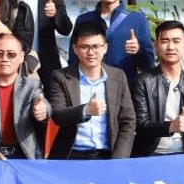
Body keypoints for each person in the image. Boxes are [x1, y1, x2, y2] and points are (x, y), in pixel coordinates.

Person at [48, 20, 136, 160]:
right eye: (84, 47)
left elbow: (128, 122)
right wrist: (86, 110)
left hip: (108, 156)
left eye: (96, 46)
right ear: (75, 49)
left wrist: (119, 160)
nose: (91, 52)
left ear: (105, 48)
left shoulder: (118, 76)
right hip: (72, 155)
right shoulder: (61, 77)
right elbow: (58, 114)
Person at [131, 20, 184, 157]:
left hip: (183, 155)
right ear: (156, 45)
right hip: (150, 154)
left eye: (176, 41)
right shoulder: (142, 81)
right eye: (165, 41)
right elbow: (140, 124)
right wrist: (170, 126)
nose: (170, 47)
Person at [72, 0, 155, 85]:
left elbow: (149, 64)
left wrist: (138, 50)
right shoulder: (83, 20)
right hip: (89, 86)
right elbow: (73, 59)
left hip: (125, 87)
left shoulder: (137, 19)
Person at [15, 0, 73, 89]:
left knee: (50, 100)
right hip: (15, 62)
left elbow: (66, 29)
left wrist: (55, 15)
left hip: (47, 63)